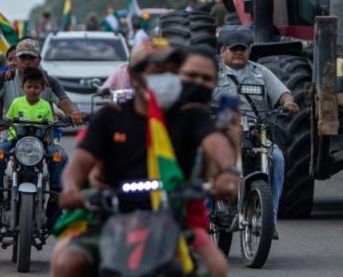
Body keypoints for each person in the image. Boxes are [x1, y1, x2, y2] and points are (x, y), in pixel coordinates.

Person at [51, 39, 240, 277]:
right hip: (110, 217)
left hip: (175, 219)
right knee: (67, 263)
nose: (168, 76)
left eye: (173, 71)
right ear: (136, 76)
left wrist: (228, 172)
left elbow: (216, 144)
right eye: (159, 71)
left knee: (216, 267)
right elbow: (79, 162)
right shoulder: (110, 116)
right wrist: (70, 188)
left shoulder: (191, 115)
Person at [0, 38, 84, 234]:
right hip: (12, 139)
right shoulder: (3, 78)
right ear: (16, 58)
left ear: (39, 59)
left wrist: (74, 113)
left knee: (62, 158)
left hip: (44, 141)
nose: (26, 62)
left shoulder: (49, 82)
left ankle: (55, 210)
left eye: (31, 58)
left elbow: (66, 102)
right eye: (23, 58)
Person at [214, 27, 299, 237]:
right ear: (223, 51)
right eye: (234, 49)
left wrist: (288, 102)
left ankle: (270, 219)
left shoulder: (261, 72)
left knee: (277, 158)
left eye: (243, 49)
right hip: (222, 133)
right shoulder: (212, 74)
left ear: (250, 51)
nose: (238, 53)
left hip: (256, 132)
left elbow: (283, 93)